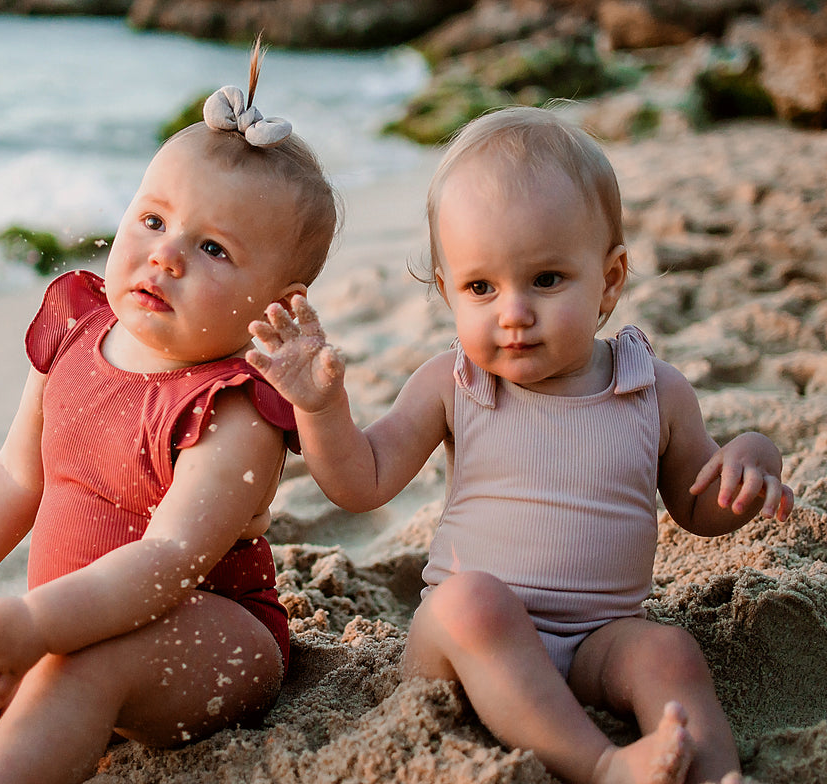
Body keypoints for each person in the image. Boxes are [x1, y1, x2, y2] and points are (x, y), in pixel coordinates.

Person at [247, 105, 794, 784]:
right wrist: (321, 407)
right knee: (475, 601)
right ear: (448, 292)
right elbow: (362, 481)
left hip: (599, 639)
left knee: (670, 653)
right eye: (482, 287)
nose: (514, 312)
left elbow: (699, 510)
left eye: (546, 280)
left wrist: (751, 462)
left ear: (610, 280)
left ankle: (717, 776)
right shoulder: (454, 383)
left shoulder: (654, 390)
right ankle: (602, 764)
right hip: (466, 644)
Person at [0, 42, 338, 784]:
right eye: (152, 220)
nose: (165, 256)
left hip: (212, 639)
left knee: (77, 670)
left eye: (212, 248)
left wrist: (39, 623)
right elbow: (17, 476)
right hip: (69, 622)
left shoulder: (233, 409)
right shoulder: (77, 336)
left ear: (279, 304)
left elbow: (169, 561)